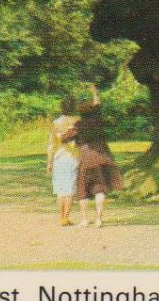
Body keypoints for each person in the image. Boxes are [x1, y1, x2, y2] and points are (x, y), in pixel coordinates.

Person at [72, 84, 122, 227]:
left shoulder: (78, 125)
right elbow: (98, 106)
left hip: (86, 160)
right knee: (100, 189)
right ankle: (99, 219)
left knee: (83, 191)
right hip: (102, 158)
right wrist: (95, 93)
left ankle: (84, 220)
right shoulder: (98, 122)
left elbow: (65, 138)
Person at [46, 96, 81, 227]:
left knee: (60, 190)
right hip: (73, 158)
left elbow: (51, 144)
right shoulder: (78, 122)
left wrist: (49, 162)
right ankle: (66, 216)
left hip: (59, 158)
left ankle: (61, 217)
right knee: (70, 189)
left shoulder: (56, 123)